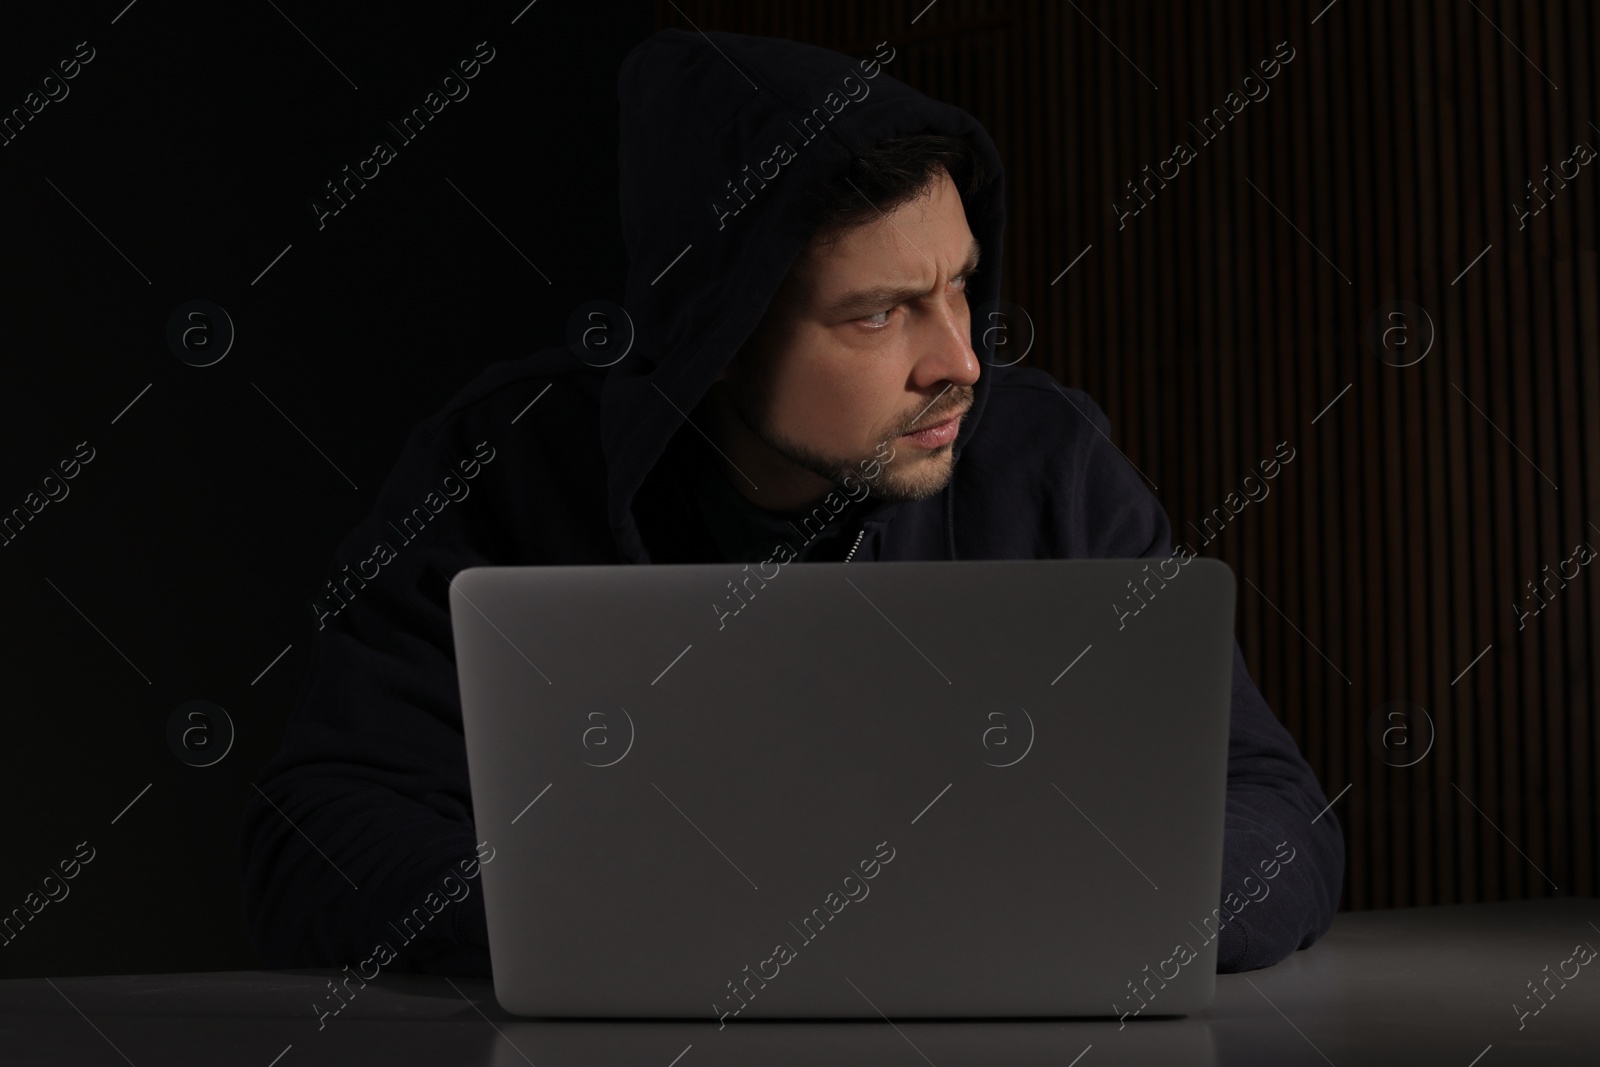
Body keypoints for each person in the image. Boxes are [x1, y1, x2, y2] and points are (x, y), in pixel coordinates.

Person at [239, 27, 1343, 980]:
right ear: (714, 341)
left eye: (960, 284)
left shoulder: (1044, 461)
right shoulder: (505, 467)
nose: (959, 358)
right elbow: (317, 834)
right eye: (878, 315)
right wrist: (638, 923)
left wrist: (1034, 914)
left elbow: (1278, 817)